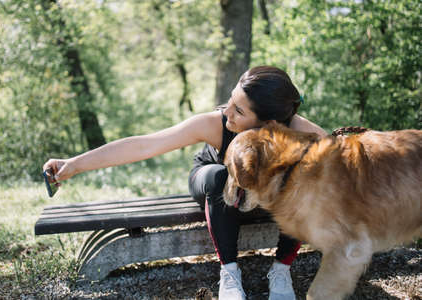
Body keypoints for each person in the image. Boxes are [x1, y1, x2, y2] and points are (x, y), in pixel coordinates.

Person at [43, 66, 327, 300]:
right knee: (219, 177)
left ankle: (281, 271)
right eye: (231, 101)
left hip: (262, 193)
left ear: (269, 122)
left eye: (239, 112)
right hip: (212, 181)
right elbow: (145, 145)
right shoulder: (216, 124)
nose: (228, 112)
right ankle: (229, 275)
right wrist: (75, 164)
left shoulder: (300, 132)